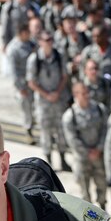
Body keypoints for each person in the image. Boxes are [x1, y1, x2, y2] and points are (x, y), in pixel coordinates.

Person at [26, 31, 72, 171]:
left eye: (50, 39)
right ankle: (49, 161)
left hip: (58, 100)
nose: (49, 42)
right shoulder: (34, 59)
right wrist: (47, 95)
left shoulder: (59, 56)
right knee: (46, 132)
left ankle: (63, 159)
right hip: (44, 103)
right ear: (40, 41)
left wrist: (57, 92)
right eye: (45, 40)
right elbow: (31, 82)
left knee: (61, 131)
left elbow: (65, 76)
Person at [62, 81, 108, 208]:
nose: (86, 95)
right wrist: (88, 153)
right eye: (83, 93)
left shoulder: (100, 109)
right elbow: (72, 139)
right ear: (75, 94)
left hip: (99, 157)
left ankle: (103, 208)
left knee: (102, 185)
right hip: (82, 159)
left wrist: (98, 149)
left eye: (87, 92)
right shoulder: (70, 116)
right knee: (84, 191)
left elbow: (105, 130)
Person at [5, 23, 36, 144]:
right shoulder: (14, 49)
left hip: (34, 82)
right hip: (23, 85)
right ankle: (28, 131)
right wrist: (20, 87)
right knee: (26, 109)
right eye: (27, 33)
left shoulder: (31, 43)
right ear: (21, 34)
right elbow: (13, 71)